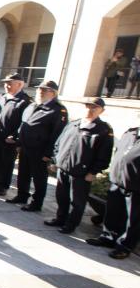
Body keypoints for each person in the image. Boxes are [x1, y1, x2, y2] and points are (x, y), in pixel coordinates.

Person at [45, 97, 113, 234]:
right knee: (61, 196)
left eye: (95, 107)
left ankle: (71, 225)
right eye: (88, 106)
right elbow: (59, 143)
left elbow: (104, 155)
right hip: (63, 168)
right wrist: (55, 161)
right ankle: (60, 218)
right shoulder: (73, 124)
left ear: (102, 110)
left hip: (81, 173)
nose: (90, 109)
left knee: (77, 202)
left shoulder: (103, 130)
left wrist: (93, 172)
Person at [6, 80, 68, 211]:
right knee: (23, 173)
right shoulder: (35, 105)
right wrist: (19, 141)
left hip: (40, 150)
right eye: (39, 89)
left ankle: (36, 202)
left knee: (39, 178)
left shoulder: (58, 110)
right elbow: (25, 124)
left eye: (44, 90)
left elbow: (57, 135)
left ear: (53, 93)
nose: (39, 92)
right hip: (26, 147)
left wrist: (48, 154)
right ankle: (22, 195)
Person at [86, 113, 140, 259]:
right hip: (117, 180)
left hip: (135, 186)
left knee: (132, 219)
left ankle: (125, 246)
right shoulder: (130, 133)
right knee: (112, 212)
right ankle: (107, 237)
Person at [0, 73, 32, 196]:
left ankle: (4, 185)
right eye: (5, 83)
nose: (6, 85)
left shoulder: (25, 101)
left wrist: (15, 136)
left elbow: (24, 122)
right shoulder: (3, 97)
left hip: (9, 139)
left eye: (9, 83)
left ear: (19, 84)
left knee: (7, 163)